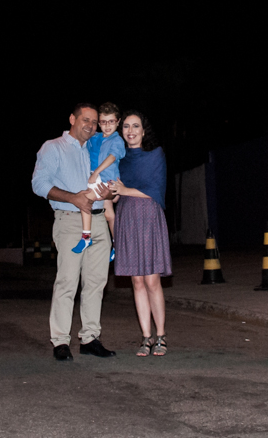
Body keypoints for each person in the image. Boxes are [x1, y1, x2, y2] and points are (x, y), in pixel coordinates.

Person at [30, 103, 117, 361]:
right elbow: (39, 184)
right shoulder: (53, 147)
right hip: (69, 220)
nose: (90, 126)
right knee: (67, 281)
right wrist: (73, 198)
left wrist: (108, 192)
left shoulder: (97, 147)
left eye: (94, 122)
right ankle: (60, 341)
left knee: (96, 283)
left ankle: (90, 338)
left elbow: (110, 181)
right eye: (85, 120)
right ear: (72, 118)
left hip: (99, 221)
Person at [110, 109, 172, 357]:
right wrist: (112, 192)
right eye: (126, 126)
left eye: (136, 126)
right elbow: (115, 193)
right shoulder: (118, 159)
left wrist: (125, 190)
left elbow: (155, 191)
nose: (131, 131)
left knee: (152, 280)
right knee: (136, 281)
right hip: (127, 217)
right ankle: (146, 337)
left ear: (144, 131)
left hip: (148, 217)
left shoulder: (155, 154)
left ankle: (161, 335)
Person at [74, 102, 125, 258]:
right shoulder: (96, 137)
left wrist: (96, 172)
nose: (107, 126)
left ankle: (86, 236)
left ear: (118, 121)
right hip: (97, 177)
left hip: (106, 179)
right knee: (109, 214)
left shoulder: (117, 141)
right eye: (103, 122)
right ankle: (118, 244)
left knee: (85, 200)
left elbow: (112, 157)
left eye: (111, 121)